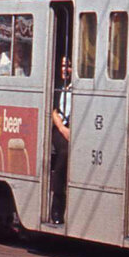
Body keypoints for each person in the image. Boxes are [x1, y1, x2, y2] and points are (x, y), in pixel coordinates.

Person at [49, 56, 72, 224]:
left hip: (74, 126)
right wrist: (63, 129)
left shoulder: (76, 87)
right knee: (64, 151)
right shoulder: (56, 86)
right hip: (59, 128)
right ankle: (57, 205)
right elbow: (52, 110)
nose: (65, 69)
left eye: (69, 66)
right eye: (63, 65)